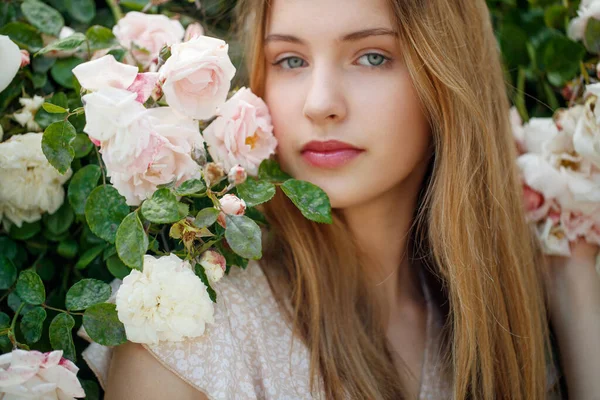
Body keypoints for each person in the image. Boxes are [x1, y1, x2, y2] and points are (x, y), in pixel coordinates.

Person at [86, 0, 600, 398]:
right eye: (290, 60)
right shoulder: (191, 333)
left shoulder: (488, 324)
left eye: (372, 57)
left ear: (447, 76)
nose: (321, 103)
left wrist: (572, 283)